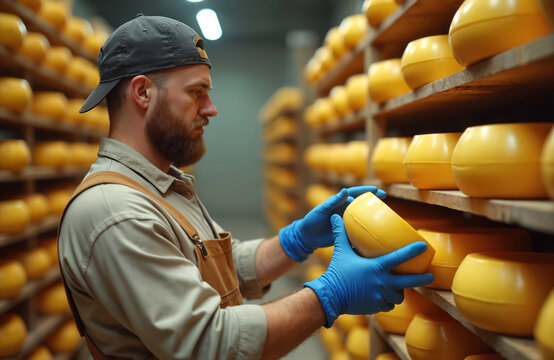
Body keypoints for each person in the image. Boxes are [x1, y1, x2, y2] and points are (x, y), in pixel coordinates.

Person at [58, 14, 433, 360]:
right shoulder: (115, 212)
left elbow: (217, 269)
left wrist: (296, 241)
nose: (211, 109)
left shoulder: (158, 186)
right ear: (142, 93)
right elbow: (211, 344)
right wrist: (329, 295)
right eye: (196, 92)